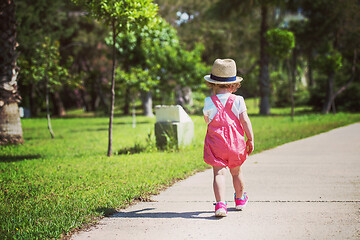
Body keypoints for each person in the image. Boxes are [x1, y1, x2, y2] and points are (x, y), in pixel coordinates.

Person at [203, 59, 254, 217]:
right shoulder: (238, 100)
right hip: (235, 144)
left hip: (216, 144)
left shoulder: (208, 102)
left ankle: (220, 205)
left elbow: (207, 119)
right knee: (236, 172)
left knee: (218, 173)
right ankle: (239, 200)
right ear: (234, 85)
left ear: (213, 85)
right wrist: (250, 139)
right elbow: (245, 120)